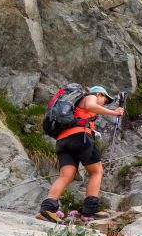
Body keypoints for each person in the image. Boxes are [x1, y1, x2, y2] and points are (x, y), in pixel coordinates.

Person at [38, 86, 125, 223]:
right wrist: (114, 113)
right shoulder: (91, 97)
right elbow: (91, 105)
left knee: (66, 175)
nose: (104, 102)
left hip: (63, 140)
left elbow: (82, 117)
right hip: (80, 137)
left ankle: (47, 209)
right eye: (105, 98)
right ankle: (90, 210)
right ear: (98, 93)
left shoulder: (76, 106)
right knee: (96, 171)